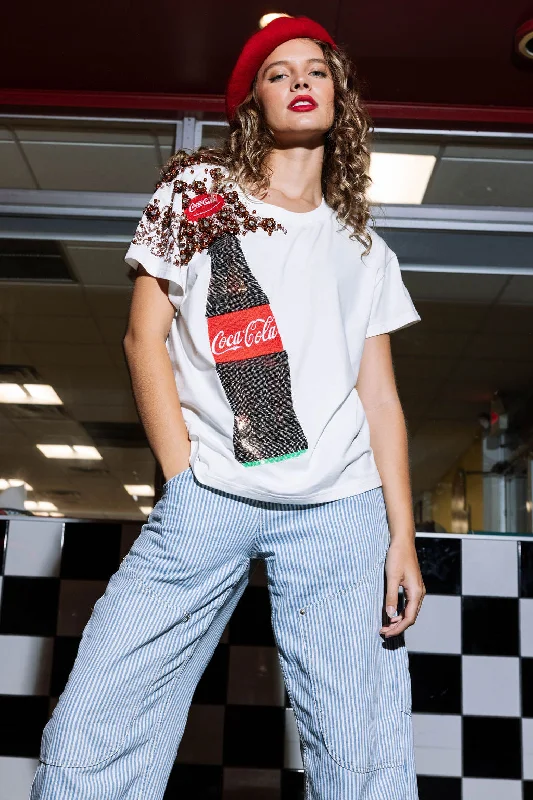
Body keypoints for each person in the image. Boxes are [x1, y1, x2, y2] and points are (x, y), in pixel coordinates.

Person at [30, 15, 425, 800]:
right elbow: (146, 338)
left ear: (338, 95)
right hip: (210, 491)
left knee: (362, 740)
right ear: (254, 104)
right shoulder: (198, 194)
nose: (299, 82)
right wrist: (183, 481)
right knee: (97, 713)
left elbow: (377, 395)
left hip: (341, 510)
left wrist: (401, 535)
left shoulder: (362, 246)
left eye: (315, 70)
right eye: (277, 74)